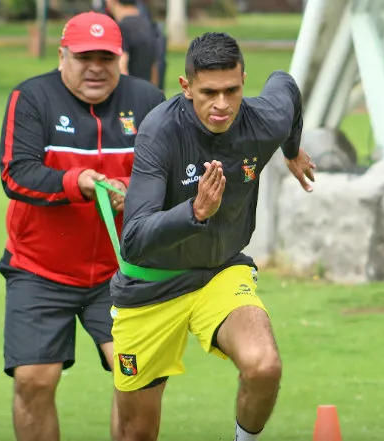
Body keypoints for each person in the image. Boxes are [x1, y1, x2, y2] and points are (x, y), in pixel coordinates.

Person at [108, 32, 317, 441]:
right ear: (186, 87)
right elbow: (132, 237)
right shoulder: (160, 131)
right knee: (136, 432)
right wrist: (195, 212)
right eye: (208, 93)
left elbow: (286, 87)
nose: (222, 104)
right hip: (151, 285)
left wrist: (291, 149)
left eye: (231, 90)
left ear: (243, 81)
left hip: (220, 272)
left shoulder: (263, 120)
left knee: (264, 366)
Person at [0, 10, 165, 441]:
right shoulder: (32, 97)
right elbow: (16, 173)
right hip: (40, 269)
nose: (95, 68)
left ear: (120, 59)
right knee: (34, 379)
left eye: (105, 58)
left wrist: (132, 190)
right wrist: (77, 182)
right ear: (62, 56)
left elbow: (172, 173)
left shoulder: (148, 100)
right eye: (84, 57)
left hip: (124, 272)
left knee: (138, 380)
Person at [105, 0, 159, 86]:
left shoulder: (121, 28)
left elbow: (121, 67)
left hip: (130, 90)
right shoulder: (148, 25)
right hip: (146, 89)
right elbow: (154, 67)